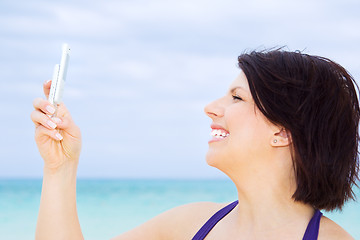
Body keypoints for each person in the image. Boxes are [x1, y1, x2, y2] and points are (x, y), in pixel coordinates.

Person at [31, 49, 359, 240]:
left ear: (283, 132)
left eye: (236, 97)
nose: (211, 107)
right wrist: (60, 167)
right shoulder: (188, 225)